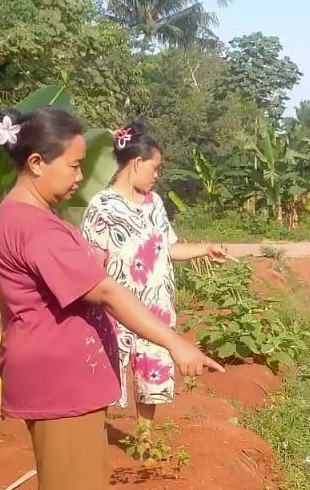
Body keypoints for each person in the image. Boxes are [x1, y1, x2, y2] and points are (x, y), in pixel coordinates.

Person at [0, 104, 222, 490]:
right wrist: (175, 343)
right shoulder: (32, 226)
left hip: (71, 380)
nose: (79, 176)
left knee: (85, 487)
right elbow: (108, 291)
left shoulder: (34, 215)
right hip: (56, 383)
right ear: (35, 163)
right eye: (73, 165)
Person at [81, 119, 228, 421]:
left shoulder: (154, 204)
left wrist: (205, 249)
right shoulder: (102, 207)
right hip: (118, 313)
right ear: (137, 163)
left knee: (151, 384)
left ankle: (145, 439)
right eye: (155, 167)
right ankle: (97, 435)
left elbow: (167, 248)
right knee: (108, 379)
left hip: (157, 313)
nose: (157, 175)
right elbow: (91, 264)